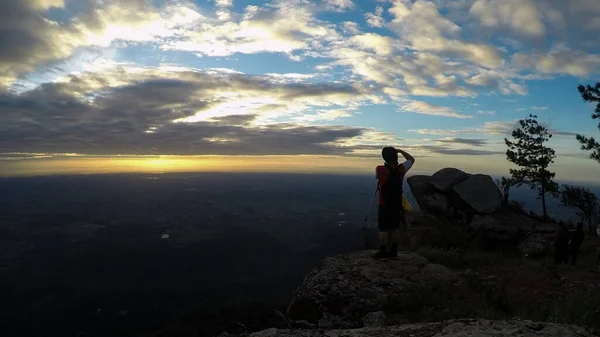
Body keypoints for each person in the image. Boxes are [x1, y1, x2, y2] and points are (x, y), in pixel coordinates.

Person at [373, 146, 415, 260]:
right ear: (396, 156)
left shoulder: (380, 169)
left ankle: (382, 253)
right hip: (397, 203)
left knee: (384, 229)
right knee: (395, 228)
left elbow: (378, 178)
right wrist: (401, 151)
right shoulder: (401, 169)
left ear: (384, 157)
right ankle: (394, 252)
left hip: (384, 203)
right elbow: (411, 159)